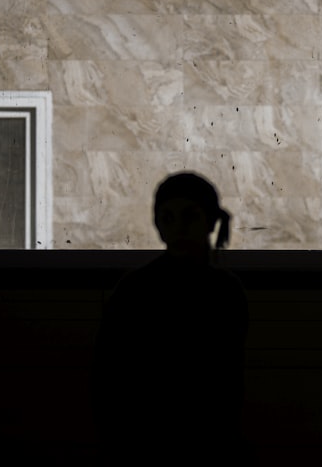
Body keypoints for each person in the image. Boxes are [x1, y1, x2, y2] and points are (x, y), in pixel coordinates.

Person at [92, 171, 250, 466]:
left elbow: (227, 379)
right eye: (168, 218)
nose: (178, 229)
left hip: (188, 441)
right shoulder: (138, 289)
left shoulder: (139, 287)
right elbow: (109, 375)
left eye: (188, 217)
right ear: (159, 225)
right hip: (149, 441)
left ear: (208, 221)